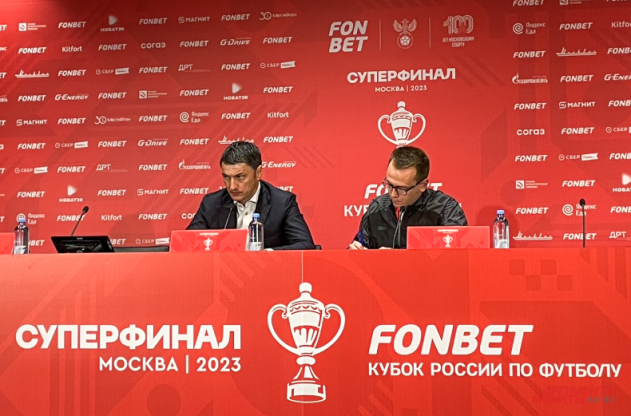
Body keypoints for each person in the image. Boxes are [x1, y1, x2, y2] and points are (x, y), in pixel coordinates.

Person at [187, 142, 315, 250]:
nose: (232, 186)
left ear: (258, 173)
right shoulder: (211, 203)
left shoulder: (282, 203)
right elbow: (188, 243)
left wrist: (266, 254)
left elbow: (305, 245)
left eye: (240, 177)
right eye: (226, 177)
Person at [349, 146, 467, 249]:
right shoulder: (377, 207)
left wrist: (394, 258)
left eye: (402, 189)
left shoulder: (445, 209)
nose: (393, 194)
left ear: (423, 185)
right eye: (389, 184)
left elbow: (458, 257)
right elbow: (361, 244)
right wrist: (356, 252)